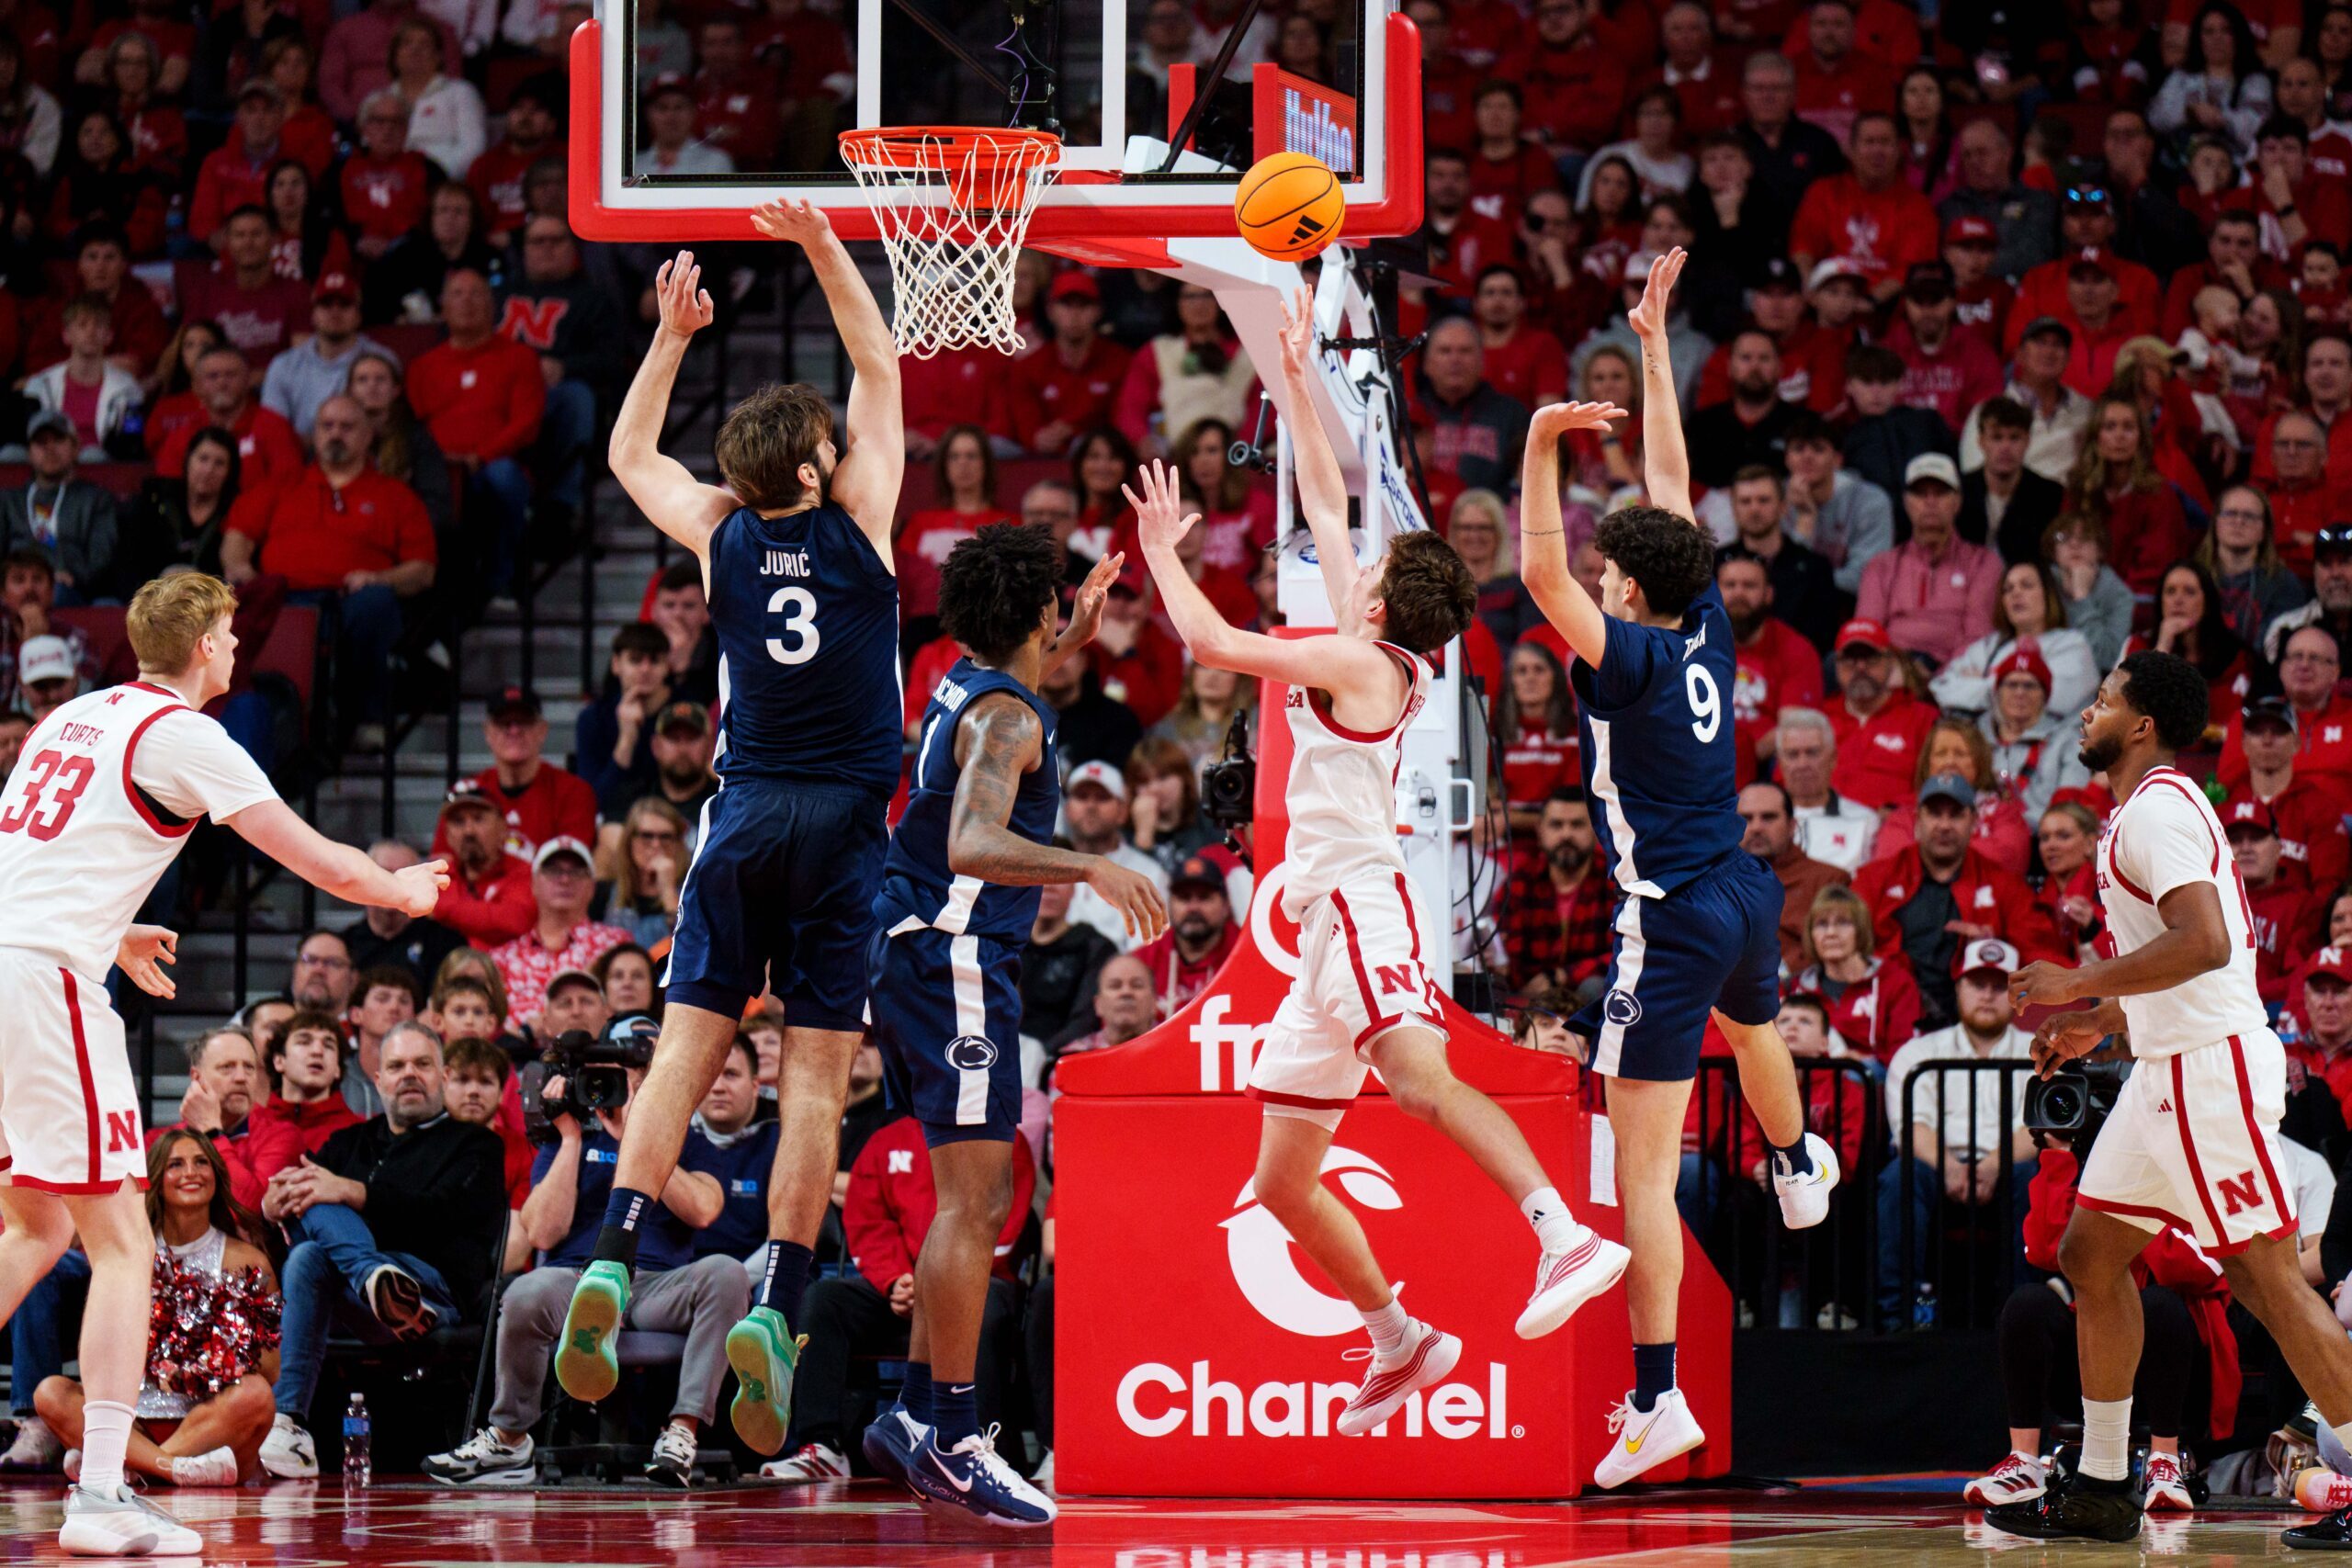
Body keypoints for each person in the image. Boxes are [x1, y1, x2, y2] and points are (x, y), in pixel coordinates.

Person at [548, 215, 912, 1472]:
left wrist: (669, 336)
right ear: (817, 465)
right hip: (849, 823)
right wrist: (821, 246)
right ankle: (776, 1295)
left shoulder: (721, 528)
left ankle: (610, 1253)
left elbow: (626, 448)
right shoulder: (858, 509)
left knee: (685, 1052)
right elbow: (882, 364)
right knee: (813, 1076)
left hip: (747, 810)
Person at [0, 571, 446, 1554]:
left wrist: (108, 931)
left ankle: (107, 1492)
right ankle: (102, 1496)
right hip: (40, 989)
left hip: (10, 962)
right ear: (205, 642)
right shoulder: (185, 735)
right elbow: (321, 862)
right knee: (121, 1240)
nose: (240, 648)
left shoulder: (72, 717)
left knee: (30, 1229)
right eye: (232, 634)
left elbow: (33, 860)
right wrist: (402, 890)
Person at [1516, 250, 1834, 1487]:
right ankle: (1799, 1159)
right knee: (1756, 1034)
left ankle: (1656, 1398)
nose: (1595, 580)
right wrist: (1652, 341)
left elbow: (1542, 570)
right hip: (1746, 885)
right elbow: (1672, 480)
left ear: (1631, 593)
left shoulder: (1638, 658)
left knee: (1641, 1173)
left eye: (1611, 578)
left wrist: (1542, 440)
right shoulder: (1701, 615)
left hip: (1669, 915)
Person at [1995, 651, 2352, 1546]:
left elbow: (2203, 942)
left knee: (2265, 1280)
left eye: (2104, 700)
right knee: (2088, 1254)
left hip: (2207, 1073)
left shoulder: (2154, 810)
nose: (2087, 713)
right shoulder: (2150, 812)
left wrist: (2077, 983)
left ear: (2142, 723)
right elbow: (2188, 961)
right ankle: (2108, 1482)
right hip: (2165, 1070)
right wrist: (2104, 1023)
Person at [853, 519, 1148, 1525]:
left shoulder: (972, 684)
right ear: (1034, 610)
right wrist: (1090, 865)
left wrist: (1074, 628)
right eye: (1056, 599)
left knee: (962, 1201)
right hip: (954, 958)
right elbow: (977, 838)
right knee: (973, 1208)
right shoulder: (1009, 722)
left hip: (918, 952)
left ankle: (907, 1417)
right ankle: (954, 1433)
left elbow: (1002, 723)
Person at [424, 1023, 743, 1488]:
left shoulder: (686, 1138)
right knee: (526, 1290)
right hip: (578, 1281)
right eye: (617, 1072)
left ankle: (681, 1432)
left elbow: (704, 1210)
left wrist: (642, 1135)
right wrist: (571, 1138)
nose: (629, 1082)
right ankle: (510, 1440)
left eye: (640, 1071)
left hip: (658, 1286)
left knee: (728, 1274)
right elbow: (541, 1230)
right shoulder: (567, 1138)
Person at [761, 1111, 1034, 1486]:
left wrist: (936, 1282)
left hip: (978, 1282)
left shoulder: (1005, 1138)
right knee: (824, 1300)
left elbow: (1002, 1224)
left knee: (982, 1308)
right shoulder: (887, 1140)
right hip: (902, 1286)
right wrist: (894, 1280)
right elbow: (868, 1221)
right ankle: (822, 1446)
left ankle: (978, 1447)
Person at [33, 1131, 280, 1488]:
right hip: (131, 1421)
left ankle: (130, 1468)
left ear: (216, 1175)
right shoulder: (127, 1255)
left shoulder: (247, 1260)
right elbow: (97, 1356)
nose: (191, 1172)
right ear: (155, 1180)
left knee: (256, 1394)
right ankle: (172, 1470)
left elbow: (271, 1369)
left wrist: (207, 1361)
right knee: (50, 1393)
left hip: (209, 1420)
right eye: (175, 1164)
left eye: (201, 1162)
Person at [1876, 939, 2037, 1326]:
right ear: (1958, 989)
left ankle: (2024, 1314)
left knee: (2036, 1178)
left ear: (2019, 995)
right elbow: (1912, 1127)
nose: (1987, 995)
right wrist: (1952, 1169)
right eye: (1977, 983)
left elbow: (2037, 1130)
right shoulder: (1917, 1053)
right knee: (1900, 1177)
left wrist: (1990, 1167)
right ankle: (1898, 1316)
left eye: (2000, 986)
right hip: (1937, 1164)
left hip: (2010, 1165)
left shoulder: (2040, 1050)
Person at [1736, 782, 1849, 976]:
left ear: (1792, 826)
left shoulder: (1829, 880)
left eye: (1768, 817)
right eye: (1746, 818)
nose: (1756, 827)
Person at [243, 1010, 360, 1182]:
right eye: (304, 1042)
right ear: (279, 1061)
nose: (317, 1051)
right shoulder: (248, 1126)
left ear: (337, 1069)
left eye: (328, 1045)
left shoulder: (361, 1133)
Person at [1131, 852, 1241, 1017]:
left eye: (1204, 898)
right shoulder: (1143, 963)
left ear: (1226, 906)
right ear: (1168, 906)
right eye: (1184, 898)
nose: (1193, 907)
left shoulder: (1246, 954)